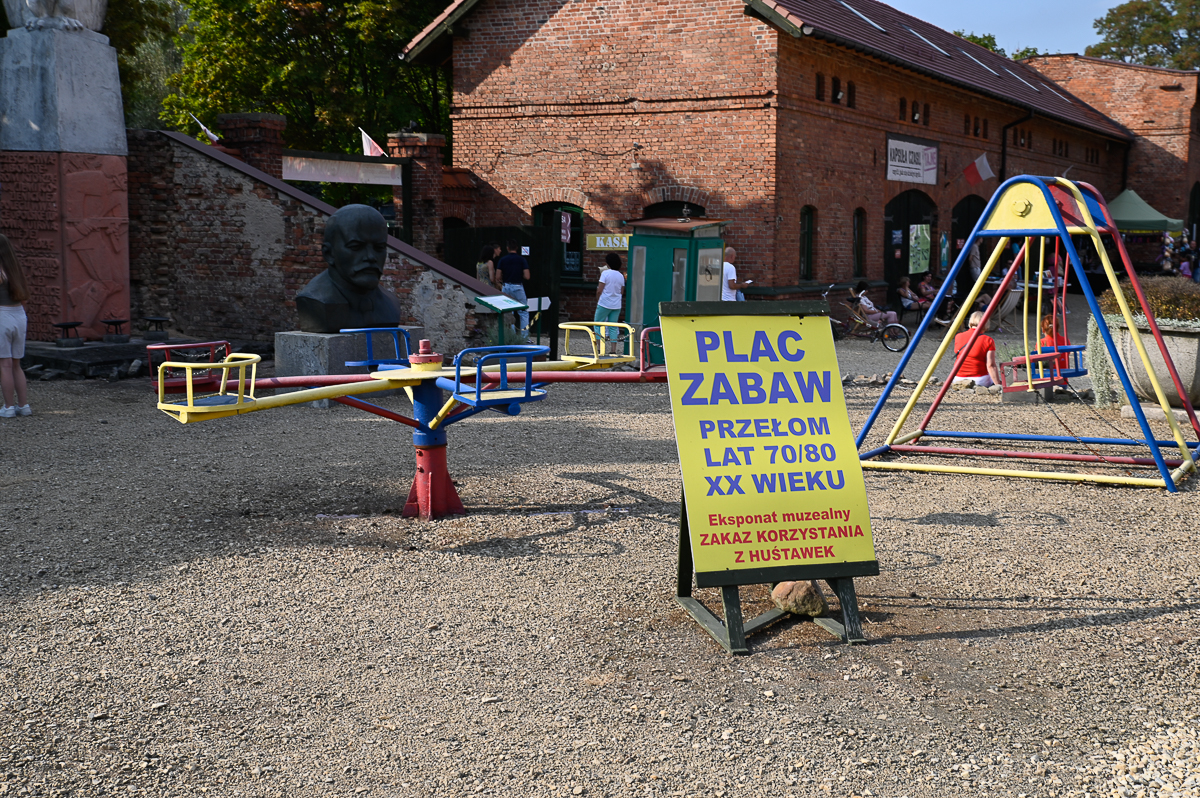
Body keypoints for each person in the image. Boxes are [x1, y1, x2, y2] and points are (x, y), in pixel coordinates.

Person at [295, 204, 401, 333]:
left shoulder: (390, 304)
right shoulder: (315, 299)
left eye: (379, 248)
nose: (370, 257)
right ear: (329, 254)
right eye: (356, 247)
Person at [0, 234, 30, 418]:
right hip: (19, 314)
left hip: (2, 315)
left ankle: (8, 407)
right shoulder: (15, 270)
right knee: (16, 364)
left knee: (4, 364)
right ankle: (23, 405)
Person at [952, 310, 1001, 388]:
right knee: (993, 377)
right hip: (978, 378)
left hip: (958, 377)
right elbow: (991, 365)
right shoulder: (988, 340)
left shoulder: (958, 336)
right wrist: (998, 385)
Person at [496, 239, 531, 337]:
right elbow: (527, 276)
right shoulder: (522, 260)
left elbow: (497, 277)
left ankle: (511, 336)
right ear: (517, 248)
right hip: (518, 287)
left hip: (506, 287)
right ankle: (524, 337)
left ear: (507, 248)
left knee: (508, 312)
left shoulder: (502, 260)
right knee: (523, 312)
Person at [595, 253, 626, 355]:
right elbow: (621, 291)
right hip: (616, 305)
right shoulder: (621, 276)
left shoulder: (605, 274)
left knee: (598, 324)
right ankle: (613, 350)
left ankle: (599, 348)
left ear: (608, 264)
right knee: (613, 326)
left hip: (604, 303)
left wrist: (598, 299)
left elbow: (600, 290)